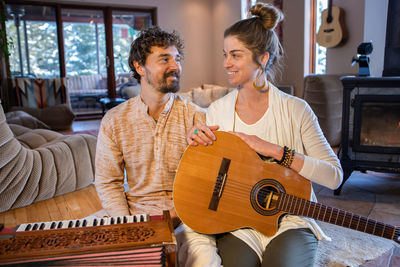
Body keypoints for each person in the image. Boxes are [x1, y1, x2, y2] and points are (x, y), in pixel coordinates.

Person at [186, 3, 343, 267]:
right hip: (238, 222)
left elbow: (335, 176)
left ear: (263, 58)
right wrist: (196, 147)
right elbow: (207, 177)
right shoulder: (217, 111)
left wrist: (276, 151)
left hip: (291, 220)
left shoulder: (297, 110)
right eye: (225, 54)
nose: (226, 63)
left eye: (235, 55)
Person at [94, 26, 220, 266]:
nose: (175, 66)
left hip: (186, 220)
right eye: (164, 59)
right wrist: (127, 226)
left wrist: (174, 217)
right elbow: (108, 182)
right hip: (135, 216)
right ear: (139, 67)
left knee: (207, 263)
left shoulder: (198, 117)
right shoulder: (114, 120)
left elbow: (212, 183)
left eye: (177, 59)